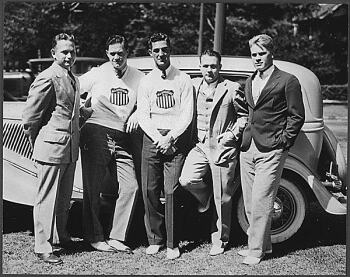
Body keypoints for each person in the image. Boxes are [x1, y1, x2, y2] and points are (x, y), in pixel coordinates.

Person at [238, 34, 305, 265]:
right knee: (249, 202)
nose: (257, 58)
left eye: (261, 53)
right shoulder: (249, 81)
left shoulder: (288, 80)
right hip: (248, 147)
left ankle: (255, 251)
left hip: (272, 149)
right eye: (253, 54)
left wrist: (283, 142)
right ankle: (263, 245)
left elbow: (296, 117)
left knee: (261, 200)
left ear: (271, 53)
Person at [78, 34, 144, 253]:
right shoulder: (98, 73)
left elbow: (147, 101)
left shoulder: (138, 76)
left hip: (123, 135)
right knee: (93, 187)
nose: (117, 57)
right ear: (107, 54)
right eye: (113, 53)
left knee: (131, 185)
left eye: (121, 53)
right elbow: (73, 87)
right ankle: (95, 237)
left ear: (128, 53)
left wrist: (137, 113)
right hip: (96, 131)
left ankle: (117, 236)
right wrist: (80, 108)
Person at [179, 49, 248, 256]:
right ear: (200, 67)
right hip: (199, 146)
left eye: (213, 66)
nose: (209, 70)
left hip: (222, 148)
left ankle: (220, 239)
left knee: (224, 197)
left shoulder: (231, 88)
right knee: (186, 179)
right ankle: (205, 196)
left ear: (220, 67)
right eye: (205, 66)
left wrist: (232, 135)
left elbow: (243, 117)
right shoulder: (193, 85)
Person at [22, 33, 80, 265]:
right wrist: (38, 143)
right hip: (50, 148)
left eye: (72, 51)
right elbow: (29, 117)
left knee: (63, 198)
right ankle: (42, 246)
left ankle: (60, 236)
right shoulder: (48, 77)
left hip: (69, 149)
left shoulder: (72, 77)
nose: (69, 55)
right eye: (64, 51)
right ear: (53, 54)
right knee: (46, 199)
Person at [137, 32, 194, 260]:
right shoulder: (146, 80)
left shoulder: (182, 78)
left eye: (164, 49)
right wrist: (158, 138)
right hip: (152, 139)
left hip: (175, 140)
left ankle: (172, 243)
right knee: (150, 189)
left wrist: (170, 137)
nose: (161, 53)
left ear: (170, 50)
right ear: (150, 53)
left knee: (171, 191)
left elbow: (186, 113)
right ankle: (155, 239)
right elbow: (143, 115)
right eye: (156, 50)